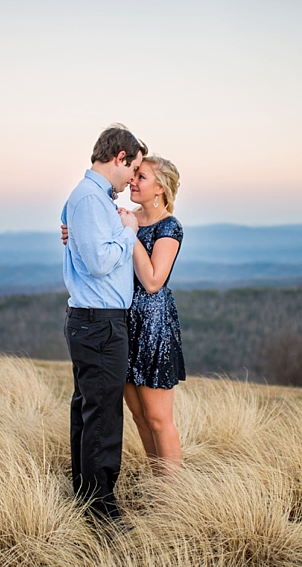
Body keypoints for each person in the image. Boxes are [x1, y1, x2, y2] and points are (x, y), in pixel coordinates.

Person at [63, 155, 185, 477]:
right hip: (122, 322)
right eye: (133, 175)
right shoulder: (126, 218)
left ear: (160, 188)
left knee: (158, 418)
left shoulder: (169, 227)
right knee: (138, 416)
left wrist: (128, 234)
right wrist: (75, 232)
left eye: (141, 177)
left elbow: (153, 280)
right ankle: (158, 482)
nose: (132, 181)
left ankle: (175, 495)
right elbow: (96, 246)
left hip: (153, 328)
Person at [61, 124, 147, 521]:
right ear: (120, 158)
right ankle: (100, 508)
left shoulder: (91, 199)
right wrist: (129, 234)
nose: (133, 178)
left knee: (89, 408)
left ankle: (85, 494)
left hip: (94, 320)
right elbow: (98, 263)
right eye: (134, 169)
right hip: (99, 322)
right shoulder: (89, 201)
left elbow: (81, 242)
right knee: (103, 414)